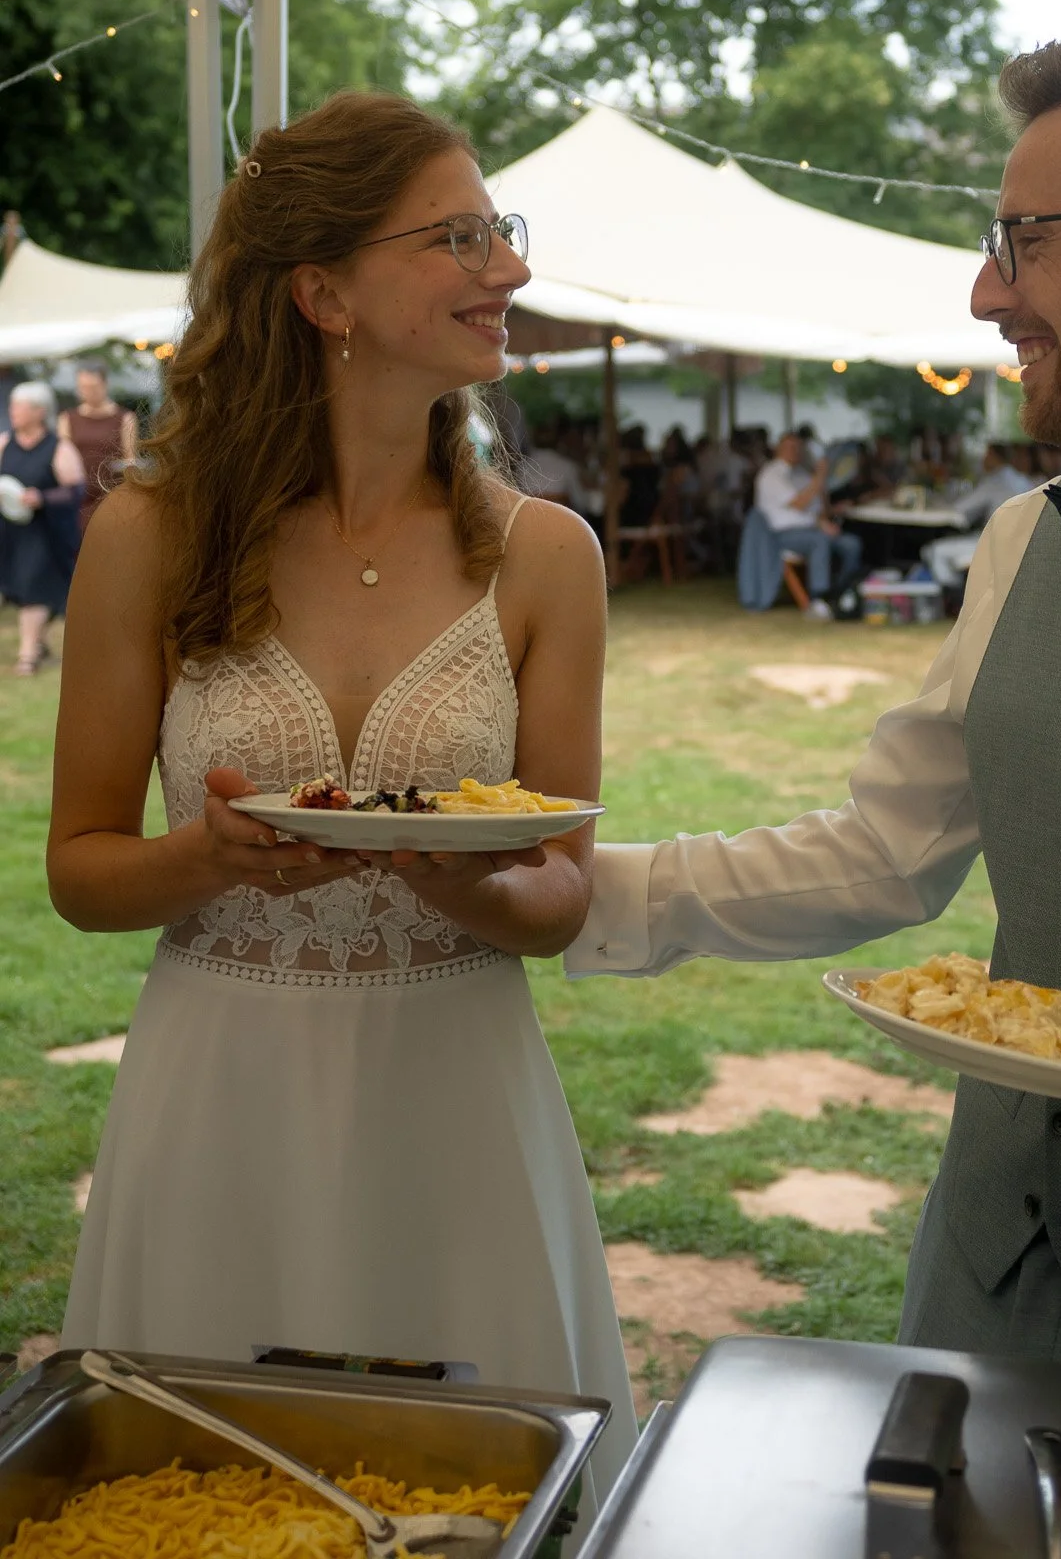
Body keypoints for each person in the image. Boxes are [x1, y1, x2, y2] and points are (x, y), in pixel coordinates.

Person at [568, 25, 1061, 1558]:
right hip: (975, 1293)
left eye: (1021, 241)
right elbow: (885, 849)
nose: (987, 291)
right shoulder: (1019, 544)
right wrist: (585, 892)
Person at [48, 93, 635, 1519]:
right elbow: (78, 869)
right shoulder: (150, 534)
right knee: (194, 1513)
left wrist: (471, 884)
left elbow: (559, 893)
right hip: (224, 1093)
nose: (506, 268)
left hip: (457, 1098)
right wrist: (204, 856)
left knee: (463, 1514)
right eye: (459, 236)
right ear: (322, 293)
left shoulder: (547, 558)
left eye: (501, 230)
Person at [0, 381, 84, 674]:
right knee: (24, 589)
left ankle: (27, 657)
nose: (12, 411)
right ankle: (40, 644)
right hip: (12, 532)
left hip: (47, 532)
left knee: (34, 587)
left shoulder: (59, 447)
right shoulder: (4, 443)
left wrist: (41, 497)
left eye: (18, 406)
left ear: (39, 411)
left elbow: (75, 490)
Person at [753, 431, 862, 621]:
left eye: (798, 448)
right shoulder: (771, 475)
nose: (795, 452)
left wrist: (829, 509)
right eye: (790, 447)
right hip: (782, 535)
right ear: (778, 449)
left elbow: (818, 509)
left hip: (812, 529)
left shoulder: (802, 474)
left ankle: (838, 593)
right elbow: (799, 504)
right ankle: (818, 598)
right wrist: (820, 476)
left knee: (851, 544)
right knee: (819, 541)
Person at [921, 441, 1036, 596]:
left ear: (994, 457)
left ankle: (954, 602)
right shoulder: (1021, 479)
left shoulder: (995, 481)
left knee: (934, 551)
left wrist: (934, 502)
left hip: (996, 544)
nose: (983, 459)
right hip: (1022, 544)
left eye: (986, 455)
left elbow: (960, 509)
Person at [58, 360, 139, 533]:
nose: (88, 392)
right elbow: (62, 459)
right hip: (78, 498)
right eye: (83, 387)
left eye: (93, 387)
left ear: (104, 384)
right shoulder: (68, 418)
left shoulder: (125, 417)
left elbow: (129, 458)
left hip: (111, 495)